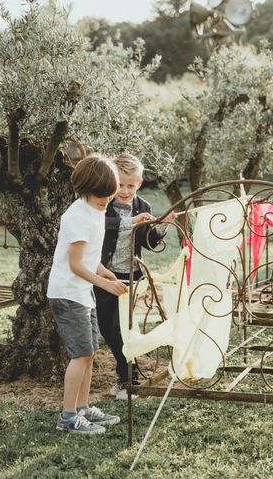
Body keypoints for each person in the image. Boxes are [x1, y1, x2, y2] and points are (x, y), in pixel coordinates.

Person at [48, 154, 129, 434]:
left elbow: (88, 257)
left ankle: (82, 409)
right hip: (68, 293)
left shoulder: (94, 210)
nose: (106, 201)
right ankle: (68, 417)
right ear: (84, 189)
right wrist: (105, 285)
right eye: (101, 196)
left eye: (110, 195)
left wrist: (103, 270)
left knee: (90, 352)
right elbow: (75, 264)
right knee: (81, 354)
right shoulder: (77, 216)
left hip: (82, 292)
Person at [95, 153, 176, 400]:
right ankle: (125, 374)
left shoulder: (144, 206)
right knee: (105, 328)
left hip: (130, 275)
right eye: (120, 184)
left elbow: (147, 241)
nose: (125, 190)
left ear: (139, 184)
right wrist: (130, 221)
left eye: (131, 185)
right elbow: (101, 225)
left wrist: (161, 227)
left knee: (121, 329)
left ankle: (129, 379)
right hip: (102, 275)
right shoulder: (101, 203)